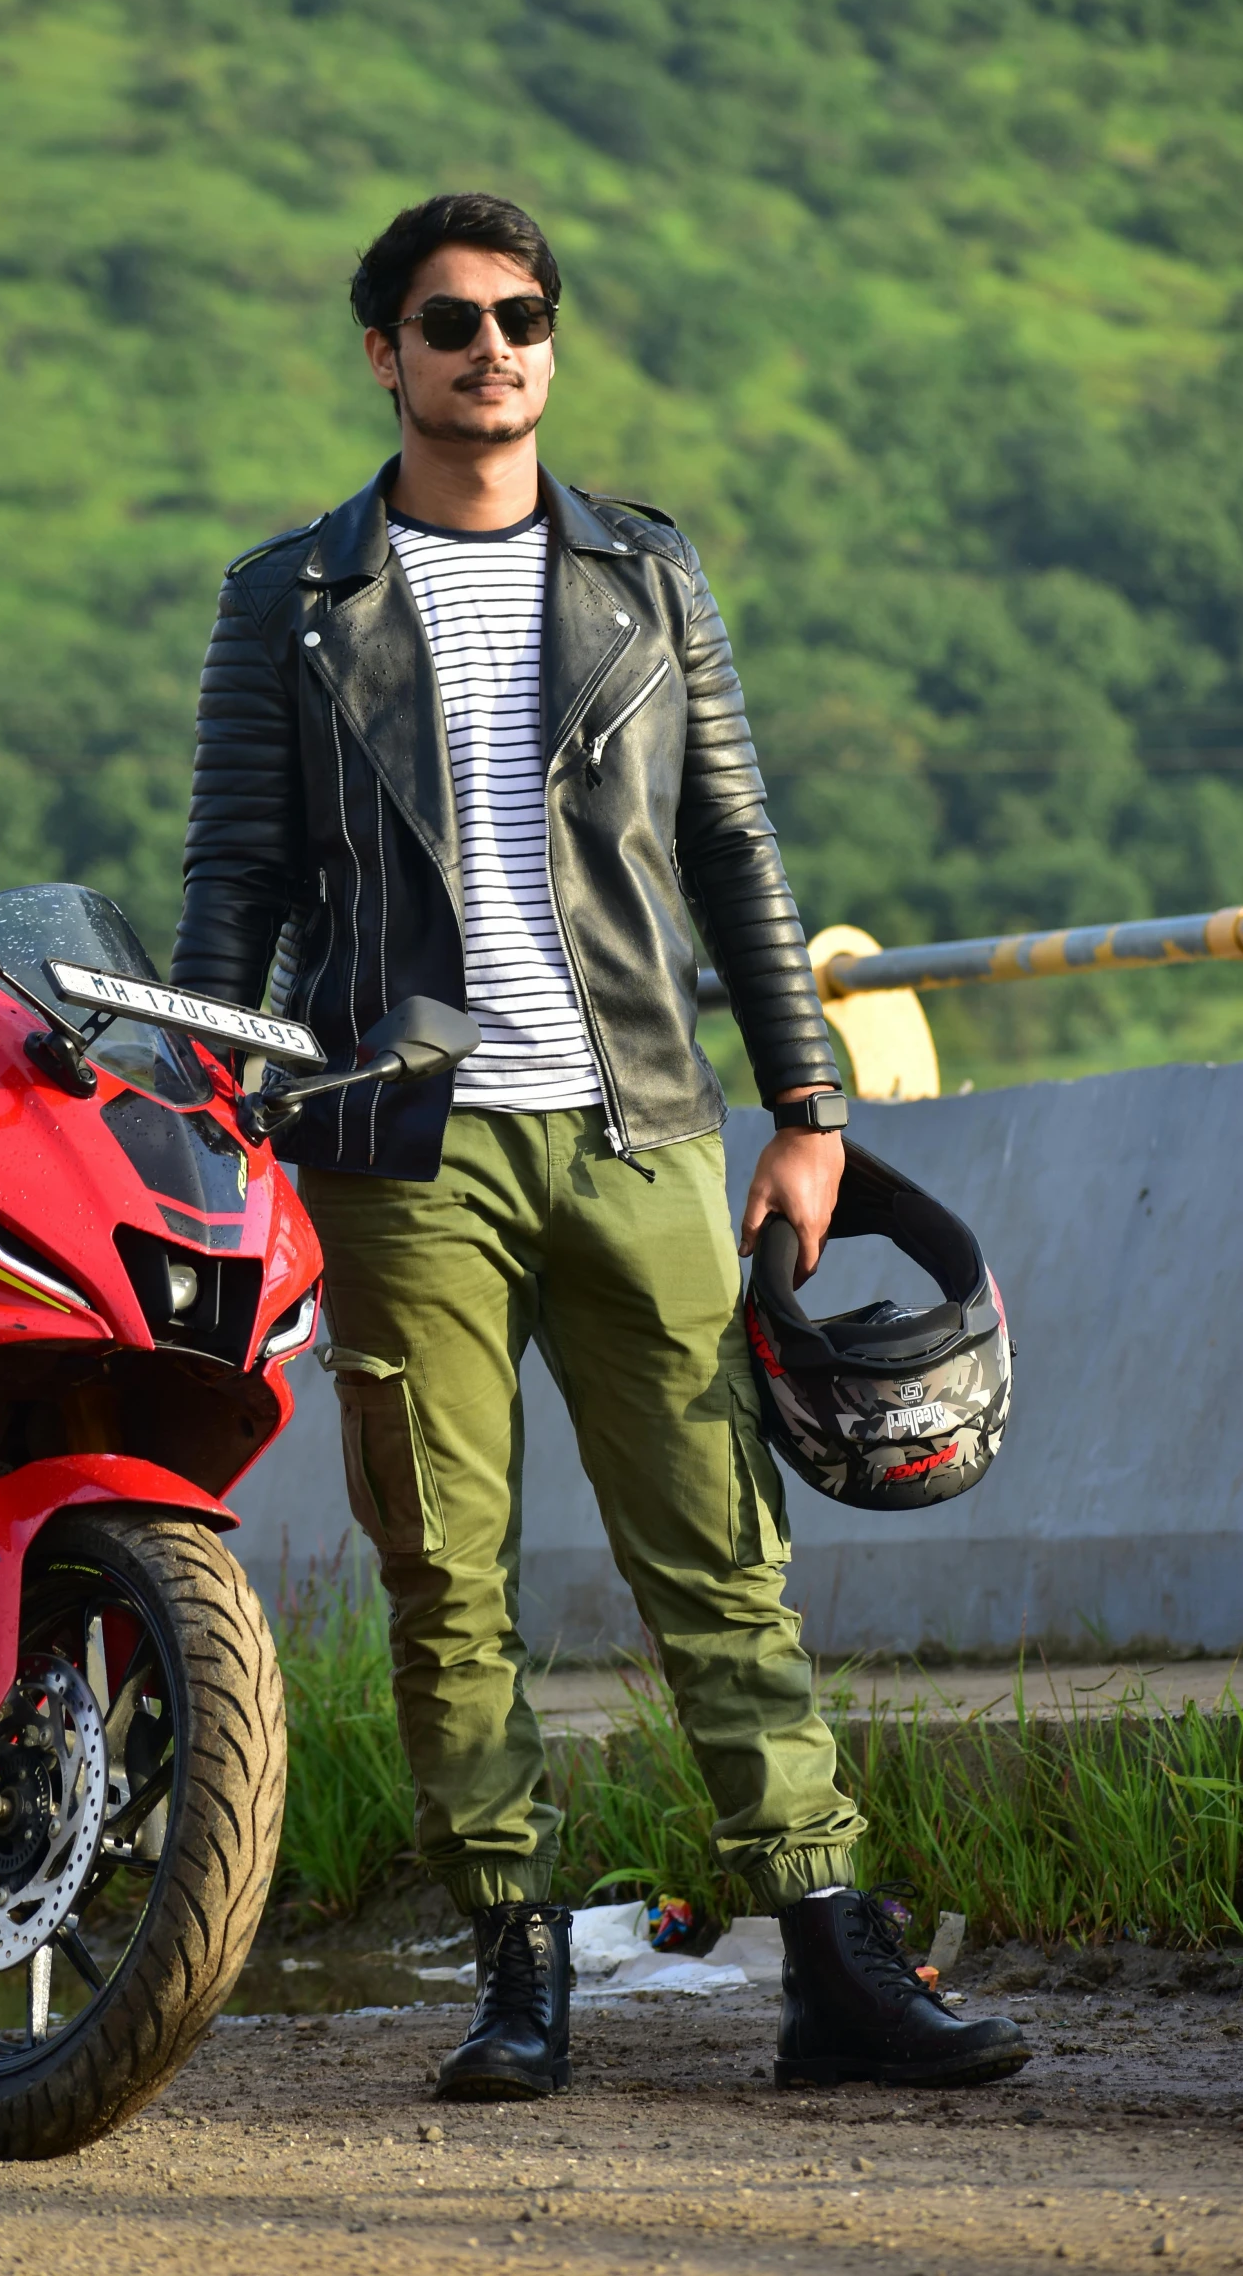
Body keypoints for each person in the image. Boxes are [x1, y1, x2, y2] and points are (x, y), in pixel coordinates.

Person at [174, 191, 1026, 2101]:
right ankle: (514, 1963)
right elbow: (234, 883)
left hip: (639, 1125)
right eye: (451, 320)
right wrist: (202, 1111)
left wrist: (809, 1115)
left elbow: (735, 851)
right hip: (397, 1148)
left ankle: (830, 1958)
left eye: (524, 317)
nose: (495, 349)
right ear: (382, 352)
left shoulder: (648, 576)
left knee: (723, 1552)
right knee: (443, 1567)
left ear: (551, 344)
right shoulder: (291, 598)